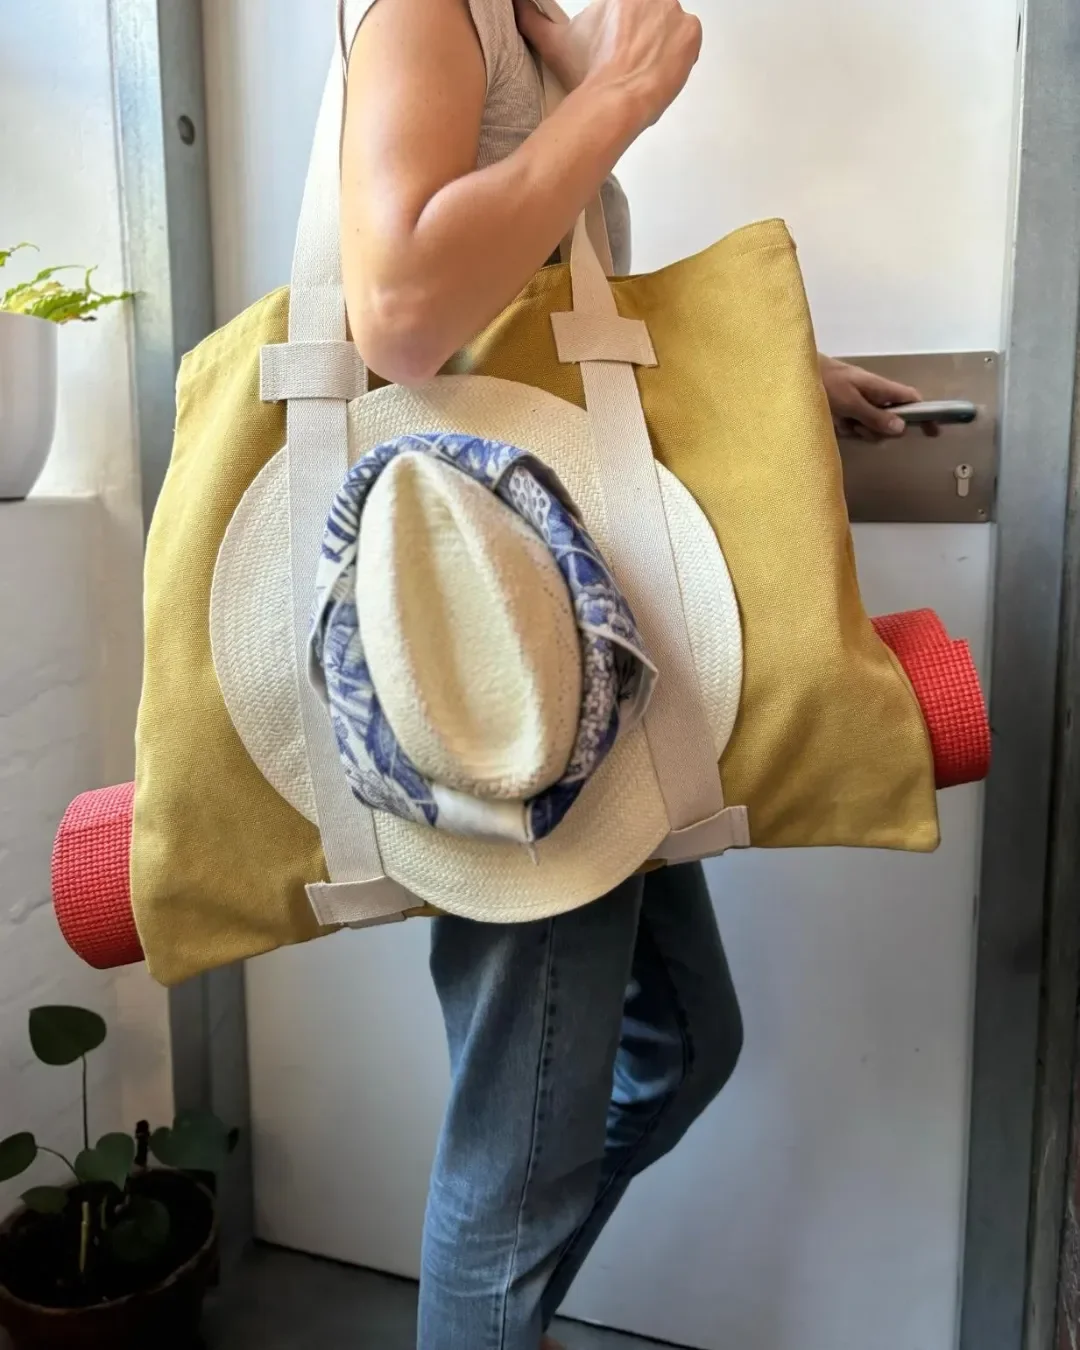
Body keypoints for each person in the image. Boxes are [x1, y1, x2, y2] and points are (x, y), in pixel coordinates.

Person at [341, 2, 934, 1345]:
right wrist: (618, 98)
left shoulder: (521, 27)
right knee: (512, 1164)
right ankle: (490, 1297)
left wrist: (784, 367)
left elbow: (552, 343)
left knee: (681, 1044)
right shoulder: (430, 12)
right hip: (506, 676)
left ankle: (495, 1302)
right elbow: (399, 312)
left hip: (578, 651)